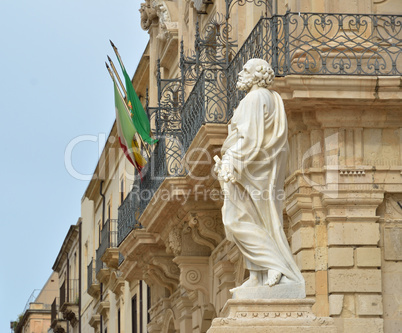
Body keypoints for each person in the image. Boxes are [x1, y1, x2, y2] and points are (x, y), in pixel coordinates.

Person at [215, 59, 304, 290]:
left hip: (248, 169)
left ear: (257, 75)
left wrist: (231, 162)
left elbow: (251, 138)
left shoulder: (254, 98)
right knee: (255, 218)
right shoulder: (271, 98)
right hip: (256, 168)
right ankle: (257, 276)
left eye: (246, 70)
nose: (241, 73)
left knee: (235, 219)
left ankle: (274, 264)